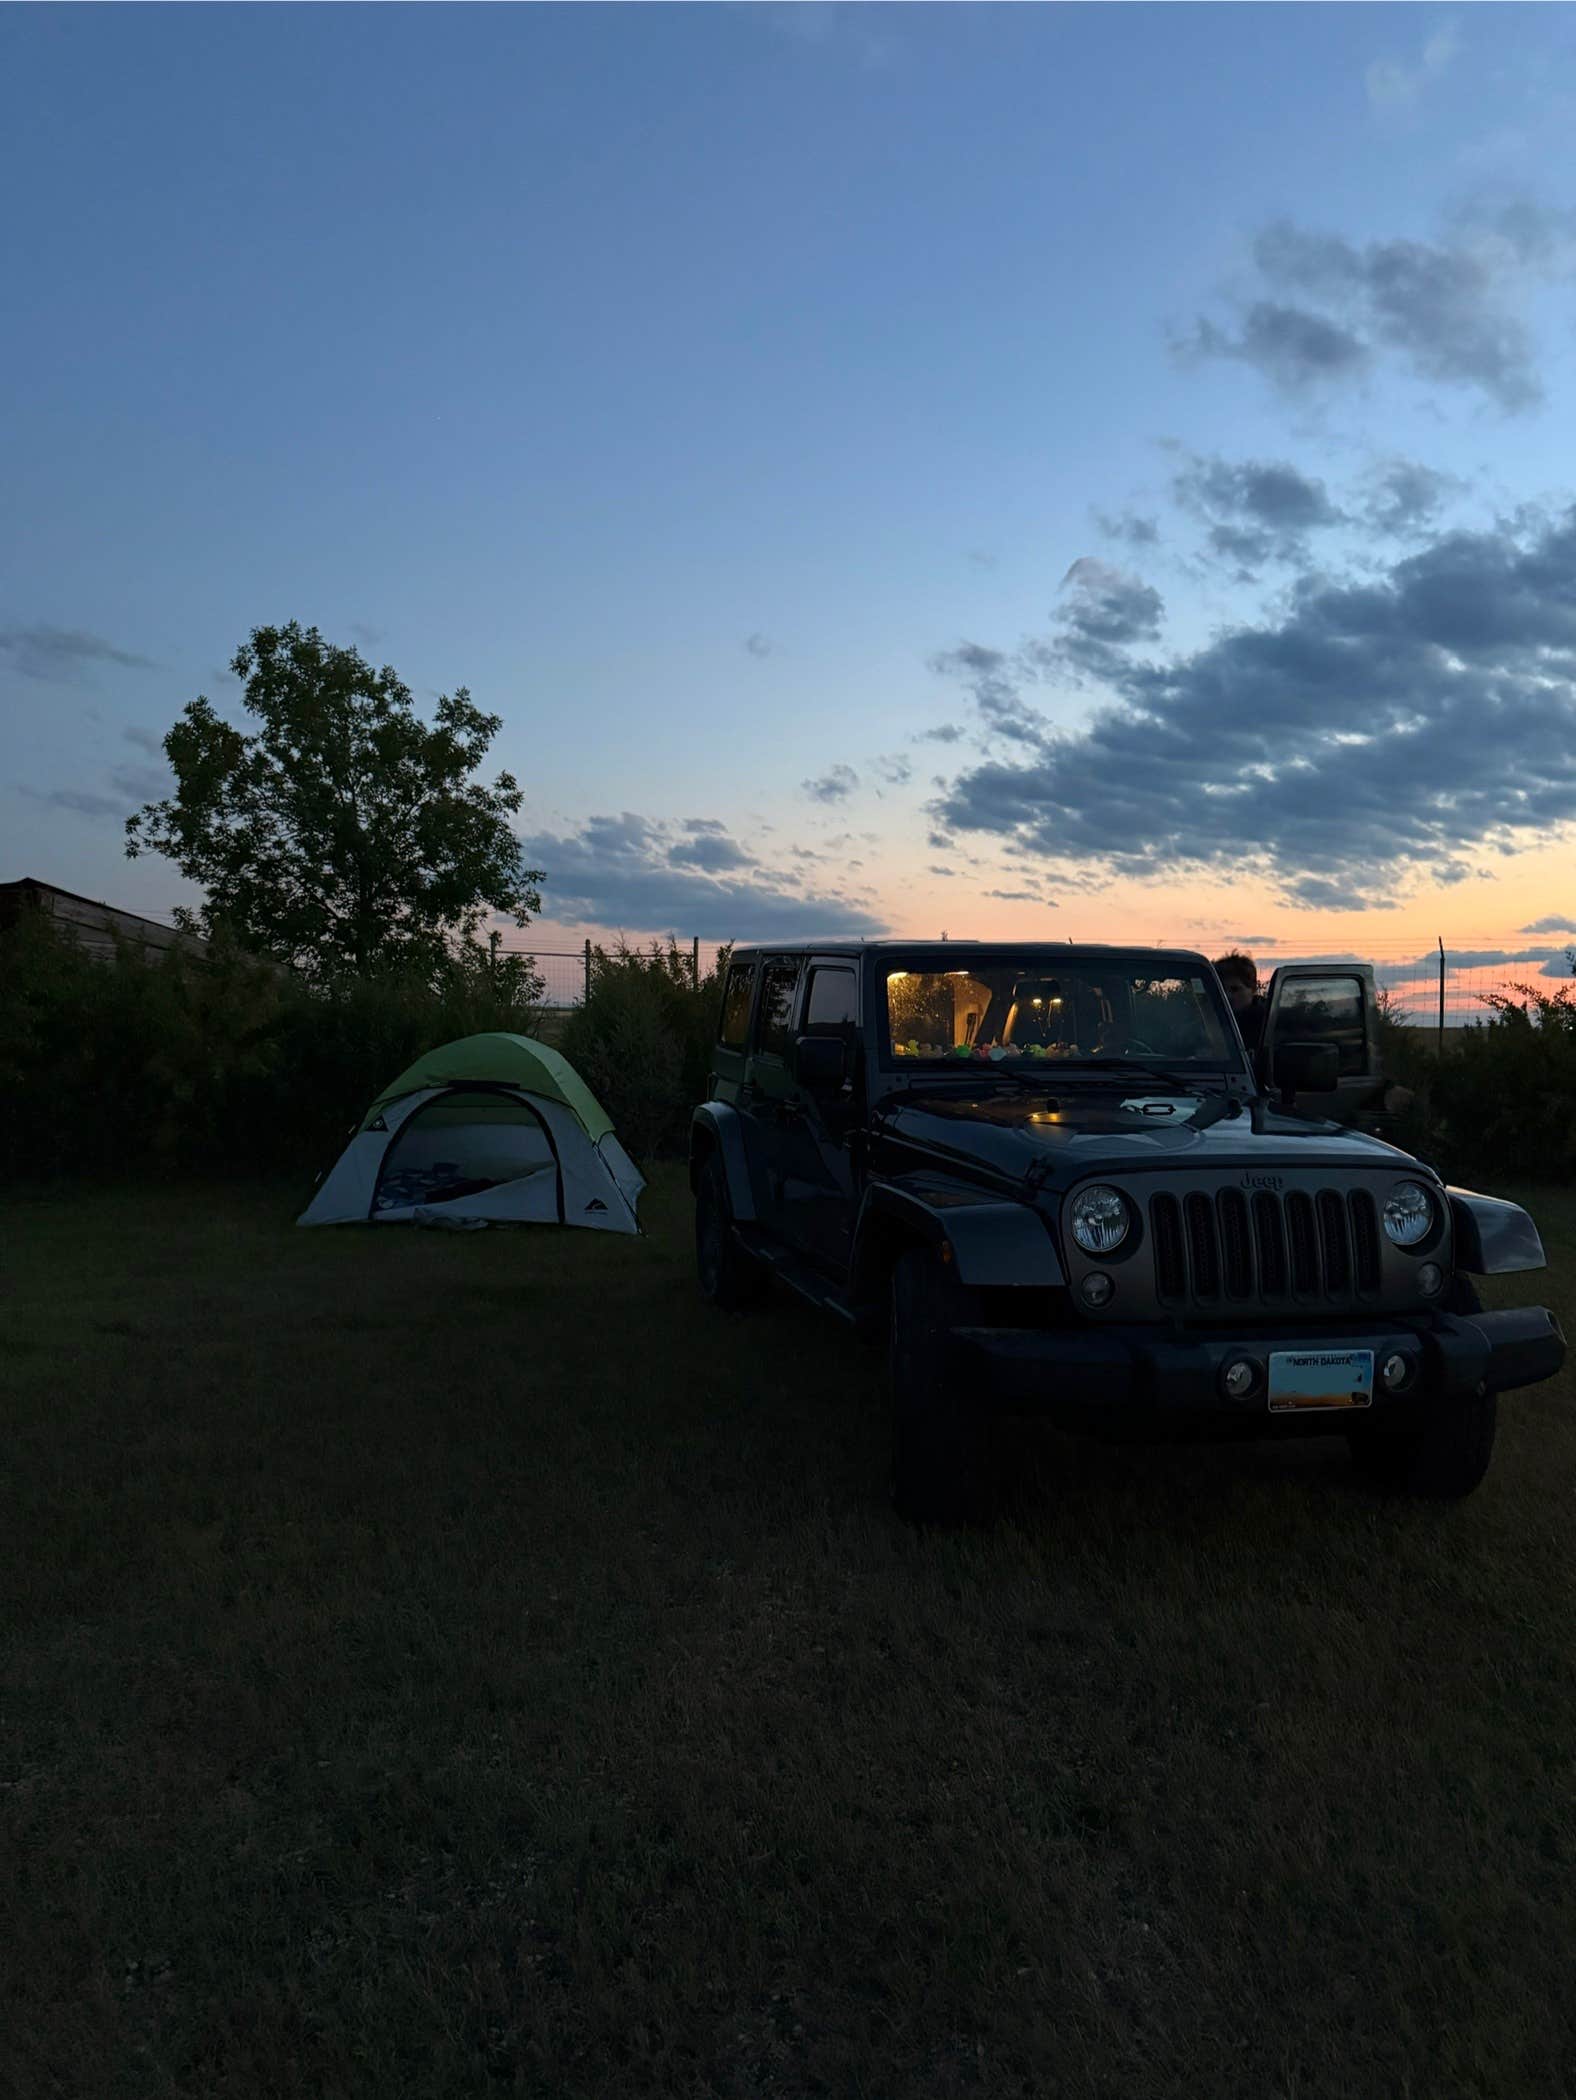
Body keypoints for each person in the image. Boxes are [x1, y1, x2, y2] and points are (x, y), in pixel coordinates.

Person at [1213, 951, 1267, 1053]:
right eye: (1222, 989)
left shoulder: (1265, 1024)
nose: (1227, 996)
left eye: (1235, 989)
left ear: (1253, 988)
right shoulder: (1209, 1018)